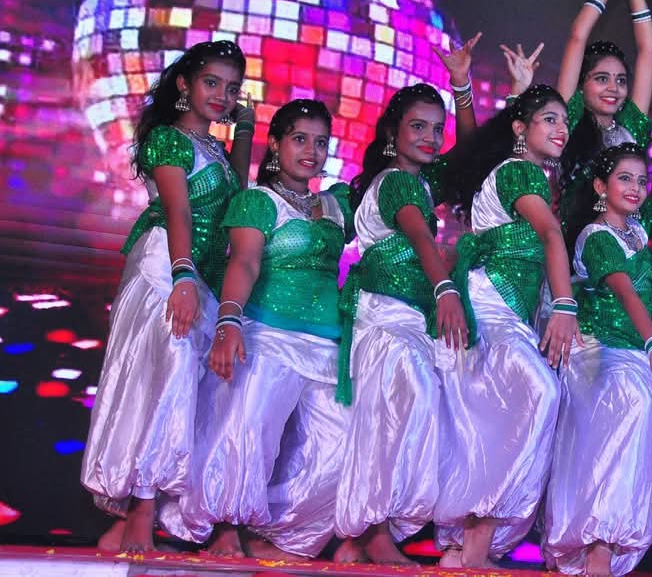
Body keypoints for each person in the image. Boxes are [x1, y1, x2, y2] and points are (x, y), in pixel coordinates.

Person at [157, 99, 351, 560]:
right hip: (266, 335)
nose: (311, 151)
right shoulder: (258, 201)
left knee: (338, 448)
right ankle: (226, 525)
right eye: (300, 139)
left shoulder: (337, 203)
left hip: (327, 345)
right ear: (276, 144)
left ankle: (275, 532)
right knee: (246, 433)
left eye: (320, 142)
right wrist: (228, 321)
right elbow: (244, 262)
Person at [81, 40, 252, 552]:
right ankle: (138, 512)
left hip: (199, 275)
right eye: (211, 82)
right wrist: (182, 278)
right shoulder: (168, 140)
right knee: (164, 384)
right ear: (184, 84)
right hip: (165, 269)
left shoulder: (213, 149)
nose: (222, 95)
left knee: (183, 394)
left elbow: (237, 197)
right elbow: (178, 211)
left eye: (232, 88)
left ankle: (134, 520)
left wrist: (245, 129)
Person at [334, 34, 480, 564]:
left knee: (407, 415)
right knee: (395, 413)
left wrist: (461, 85)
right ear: (393, 132)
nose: (431, 137)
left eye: (436, 129)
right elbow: (420, 236)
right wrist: (446, 288)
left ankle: (358, 542)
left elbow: (470, 155)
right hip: (384, 317)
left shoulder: (418, 179)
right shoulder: (396, 182)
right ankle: (373, 531)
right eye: (418, 127)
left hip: (407, 320)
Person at [434, 84, 581, 568]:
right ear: (521, 128)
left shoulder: (522, 173)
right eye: (550, 119)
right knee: (539, 395)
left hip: (503, 310)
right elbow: (551, 234)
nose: (562, 129)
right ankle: (473, 544)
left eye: (564, 121)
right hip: (489, 306)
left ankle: (463, 547)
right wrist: (564, 306)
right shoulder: (520, 171)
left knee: (496, 419)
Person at [543, 132, 652, 576]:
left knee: (645, 431)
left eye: (640, 180)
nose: (635, 188)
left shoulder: (636, 230)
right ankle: (596, 549)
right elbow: (624, 292)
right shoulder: (596, 236)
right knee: (624, 416)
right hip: (599, 353)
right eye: (624, 179)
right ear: (601, 187)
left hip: (633, 351)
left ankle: (608, 549)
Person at [548, 0, 652, 224]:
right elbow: (577, 36)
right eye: (601, 78)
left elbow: (649, 51)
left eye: (621, 80)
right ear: (581, 84)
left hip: (631, 241)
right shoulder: (567, 119)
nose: (614, 88)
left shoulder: (631, 127)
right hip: (579, 243)